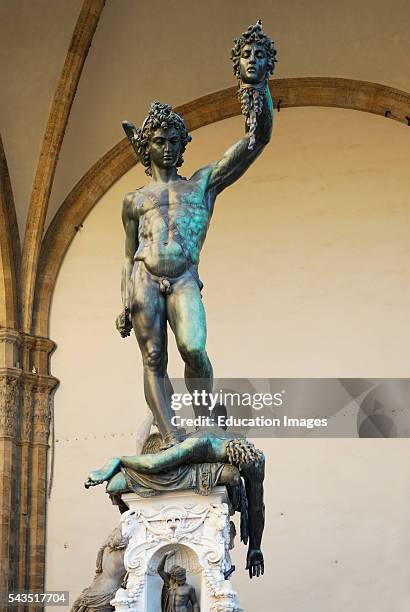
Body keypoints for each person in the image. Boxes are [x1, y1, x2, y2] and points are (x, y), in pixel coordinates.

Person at [116, 21, 276, 447]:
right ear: (145, 146)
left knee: (193, 349)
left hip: (184, 276)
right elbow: (127, 253)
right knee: (153, 358)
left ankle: (206, 421)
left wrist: (256, 88)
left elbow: (254, 141)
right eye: (158, 140)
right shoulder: (134, 200)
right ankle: (171, 437)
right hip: (144, 278)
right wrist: (123, 302)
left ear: (182, 144)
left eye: (173, 140)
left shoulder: (201, 185)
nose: (167, 147)